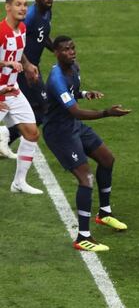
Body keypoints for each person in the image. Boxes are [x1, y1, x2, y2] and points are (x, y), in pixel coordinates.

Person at [42, 36, 130, 251]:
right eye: (65, 49)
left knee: (107, 159)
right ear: (56, 52)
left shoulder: (74, 68)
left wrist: (84, 93)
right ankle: (83, 236)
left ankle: (104, 214)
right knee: (86, 177)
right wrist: (106, 113)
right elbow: (75, 111)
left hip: (71, 125)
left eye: (73, 48)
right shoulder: (56, 78)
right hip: (59, 132)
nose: (71, 52)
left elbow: (71, 95)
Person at [0, 0, 54, 159]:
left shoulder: (41, 16)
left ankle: (5, 140)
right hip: (15, 76)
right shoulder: (28, 18)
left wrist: (56, 51)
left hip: (24, 73)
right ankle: (5, 136)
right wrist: (22, 65)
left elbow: (39, 36)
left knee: (36, 117)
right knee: (44, 107)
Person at [0, 0, 44, 194]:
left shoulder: (23, 28)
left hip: (13, 90)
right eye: (18, 4)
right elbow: (8, 58)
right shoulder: (1, 32)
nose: (23, 8)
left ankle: (19, 182)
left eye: (25, 4)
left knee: (32, 133)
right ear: (8, 7)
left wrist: (27, 65)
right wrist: (6, 62)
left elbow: (19, 52)